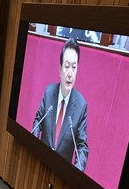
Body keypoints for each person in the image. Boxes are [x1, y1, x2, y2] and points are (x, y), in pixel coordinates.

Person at [32, 37, 88, 172]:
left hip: (61, 173)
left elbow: (82, 146)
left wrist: (76, 173)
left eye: (74, 68)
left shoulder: (81, 105)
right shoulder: (49, 91)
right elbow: (38, 121)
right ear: (60, 69)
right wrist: (33, 148)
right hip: (40, 165)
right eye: (67, 66)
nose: (70, 74)